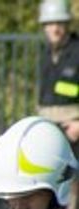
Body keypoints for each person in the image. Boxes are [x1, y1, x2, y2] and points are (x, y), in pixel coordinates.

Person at [36, 0, 79, 145]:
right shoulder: (45, 54)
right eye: (49, 24)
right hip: (48, 130)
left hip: (73, 132)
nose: (54, 29)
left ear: (67, 24)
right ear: (44, 27)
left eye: (59, 23)